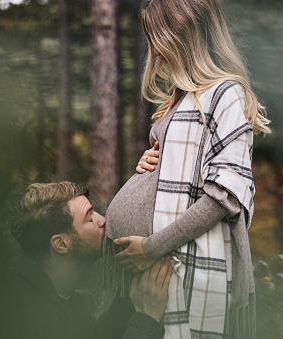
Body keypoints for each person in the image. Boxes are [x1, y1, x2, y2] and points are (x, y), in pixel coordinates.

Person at [103, 0, 271, 338]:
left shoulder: (226, 95)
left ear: (182, 35)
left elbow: (223, 196)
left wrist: (152, 247)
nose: (153, 48)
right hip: (162, 268)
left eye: (157, 35)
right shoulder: (180, 99)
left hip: (182, 264)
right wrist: (146, 168)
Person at [0, 182, 173, 339]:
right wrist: (147, 319)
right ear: (61, 244)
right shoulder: (24, 319)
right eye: (89, 218)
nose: (102, 219)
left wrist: (131, 300)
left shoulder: (53, 291)